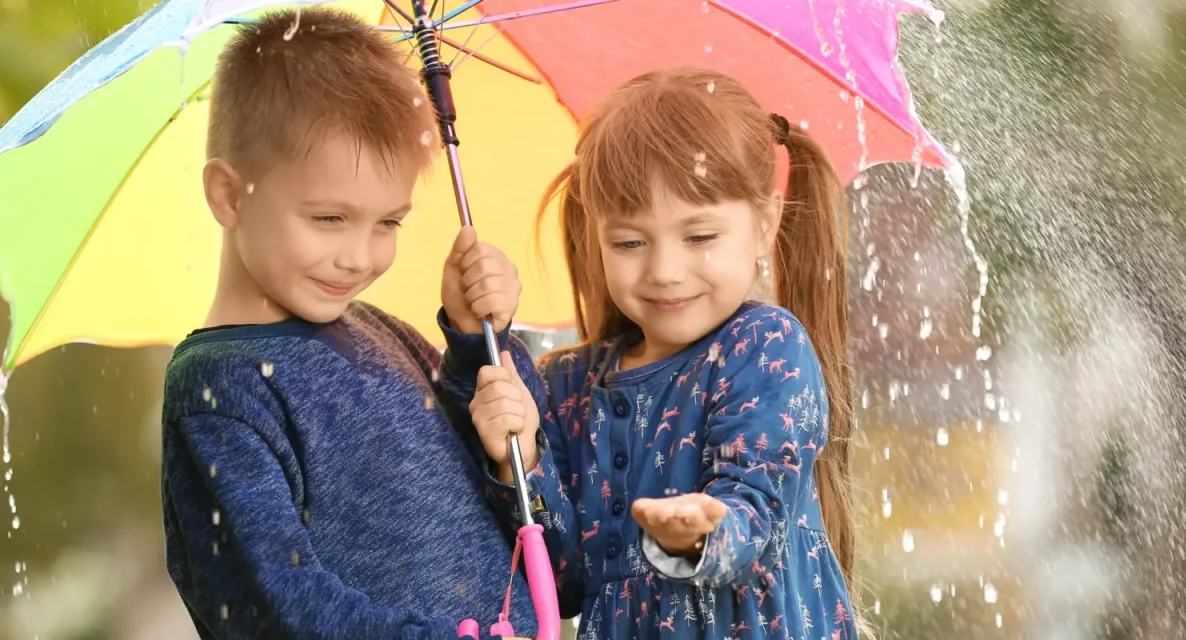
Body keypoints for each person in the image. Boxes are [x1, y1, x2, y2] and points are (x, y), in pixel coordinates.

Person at [160, 7, 534, 639]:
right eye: (329, 219)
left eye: (388, 222)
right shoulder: (220, 392)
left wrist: (476, 345)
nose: (360, 257)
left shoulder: (379, 331)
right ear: (228, 195)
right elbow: (278, 612)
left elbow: (497, 498)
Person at [464, 67, 868, 639]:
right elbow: (564, 582)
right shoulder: (567, 385)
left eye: (699, 237)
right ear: (594, 236)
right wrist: (518, 458)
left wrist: (704, 532)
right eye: (629, 242)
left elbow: (756, 512)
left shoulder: (763, 347)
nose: (664, 272)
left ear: (764, 226)